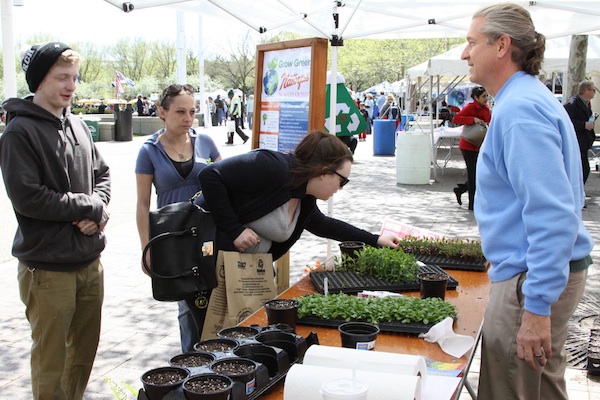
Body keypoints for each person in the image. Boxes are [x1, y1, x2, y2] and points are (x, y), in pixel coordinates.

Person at [462, 4, 594, 399]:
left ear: (502, 45)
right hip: (536, 272)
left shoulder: (519, 110)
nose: (464, 53)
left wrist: (536, 306)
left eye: (471, 42)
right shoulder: (527, 99)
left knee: (510, 389)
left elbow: (552, 213)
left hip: (529, 280)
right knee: (541, 386)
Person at [0, 42, 111, 400]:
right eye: (62, 77)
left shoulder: (77, 124)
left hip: (89, 261)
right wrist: (88, 207)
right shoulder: (18, 133)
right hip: (47, 270)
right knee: (51, 361)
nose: (71, 86)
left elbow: (104, 175)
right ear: (39, 80)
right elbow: (29, 198)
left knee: (82, 354)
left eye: (75, 78)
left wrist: (99, 211)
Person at [198, 130, 401, 263]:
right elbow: (210, 175)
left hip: (238, 273)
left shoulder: (304, 194)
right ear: (324, 171)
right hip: (205, 257)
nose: (341, 189)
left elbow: (326, 226)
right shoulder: (273, 166)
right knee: (200, 328)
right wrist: (235, 230)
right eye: (342, 181)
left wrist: (376, 240)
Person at [135, 83, 222, 352]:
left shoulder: (205, 142)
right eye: (180, 112)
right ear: (162, 111)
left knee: (215, 296)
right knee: (186, 305)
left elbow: (225, 182)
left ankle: (220, 358)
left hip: (209, 233)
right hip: (174, 236)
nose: (188, 118)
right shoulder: (149, 150)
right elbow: (142, 204)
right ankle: (192, 362)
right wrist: (146, 248)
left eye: (192, 112)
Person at [451, 86, 491, 210]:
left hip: (480, 144)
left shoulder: (486, 108)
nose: (486, 98)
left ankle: (461, 189)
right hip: (468, 145)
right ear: (476, 98)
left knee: (479, 174)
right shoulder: (470, 107)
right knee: (473, 174)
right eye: (483, 96)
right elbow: (456, 118)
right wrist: (472, 119)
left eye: (486, 96)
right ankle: (472, 204)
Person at [564, 81, 596, 185]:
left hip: (584, 142)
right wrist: (583, 124)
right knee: (581, 170)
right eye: (593, 90)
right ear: (586, 90)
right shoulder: (573, 103)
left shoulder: (586, 103)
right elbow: (566, 121)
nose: (594, 93)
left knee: (584, 170)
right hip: (577, 142)